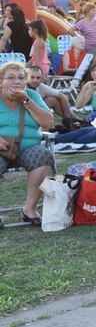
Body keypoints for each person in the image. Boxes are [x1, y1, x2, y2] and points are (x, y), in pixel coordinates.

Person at [0, 61, 55, 226]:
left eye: (21, 78)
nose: (17, 81)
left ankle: (29, 209)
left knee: (43, 155)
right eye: (11, 78)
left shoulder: (31, 95)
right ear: (1, 81)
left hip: (28, 147)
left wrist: (27, 102)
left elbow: (48, 123)